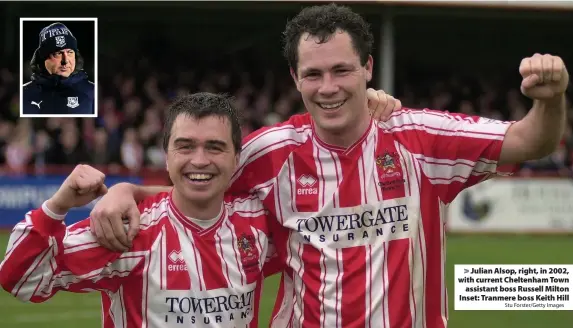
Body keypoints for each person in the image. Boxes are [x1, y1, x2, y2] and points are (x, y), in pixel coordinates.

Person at [90, 4, 569, 328]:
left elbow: (529, 140)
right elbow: (195, 184)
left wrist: (551, 99)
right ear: (295, 78)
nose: (328, 86)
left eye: (342, 70)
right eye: (314, 74)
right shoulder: (270, 152)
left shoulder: (419, 138)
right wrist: (126, 191)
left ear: (367, 68)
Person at [0, 93, 283, 328]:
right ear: (166, 157)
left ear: (236, 159)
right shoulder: (128, 231)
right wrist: (56, 206)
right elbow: (21, 279)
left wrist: (130, 189)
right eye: (185, 147)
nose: (199, 160)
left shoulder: (259, 223)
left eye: (215, 147)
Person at [22, 22, 95, 115]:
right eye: (58, 53)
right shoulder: (24, 93)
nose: (65, 61)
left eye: (69, 52)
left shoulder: (92, 91)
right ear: (43, 59)